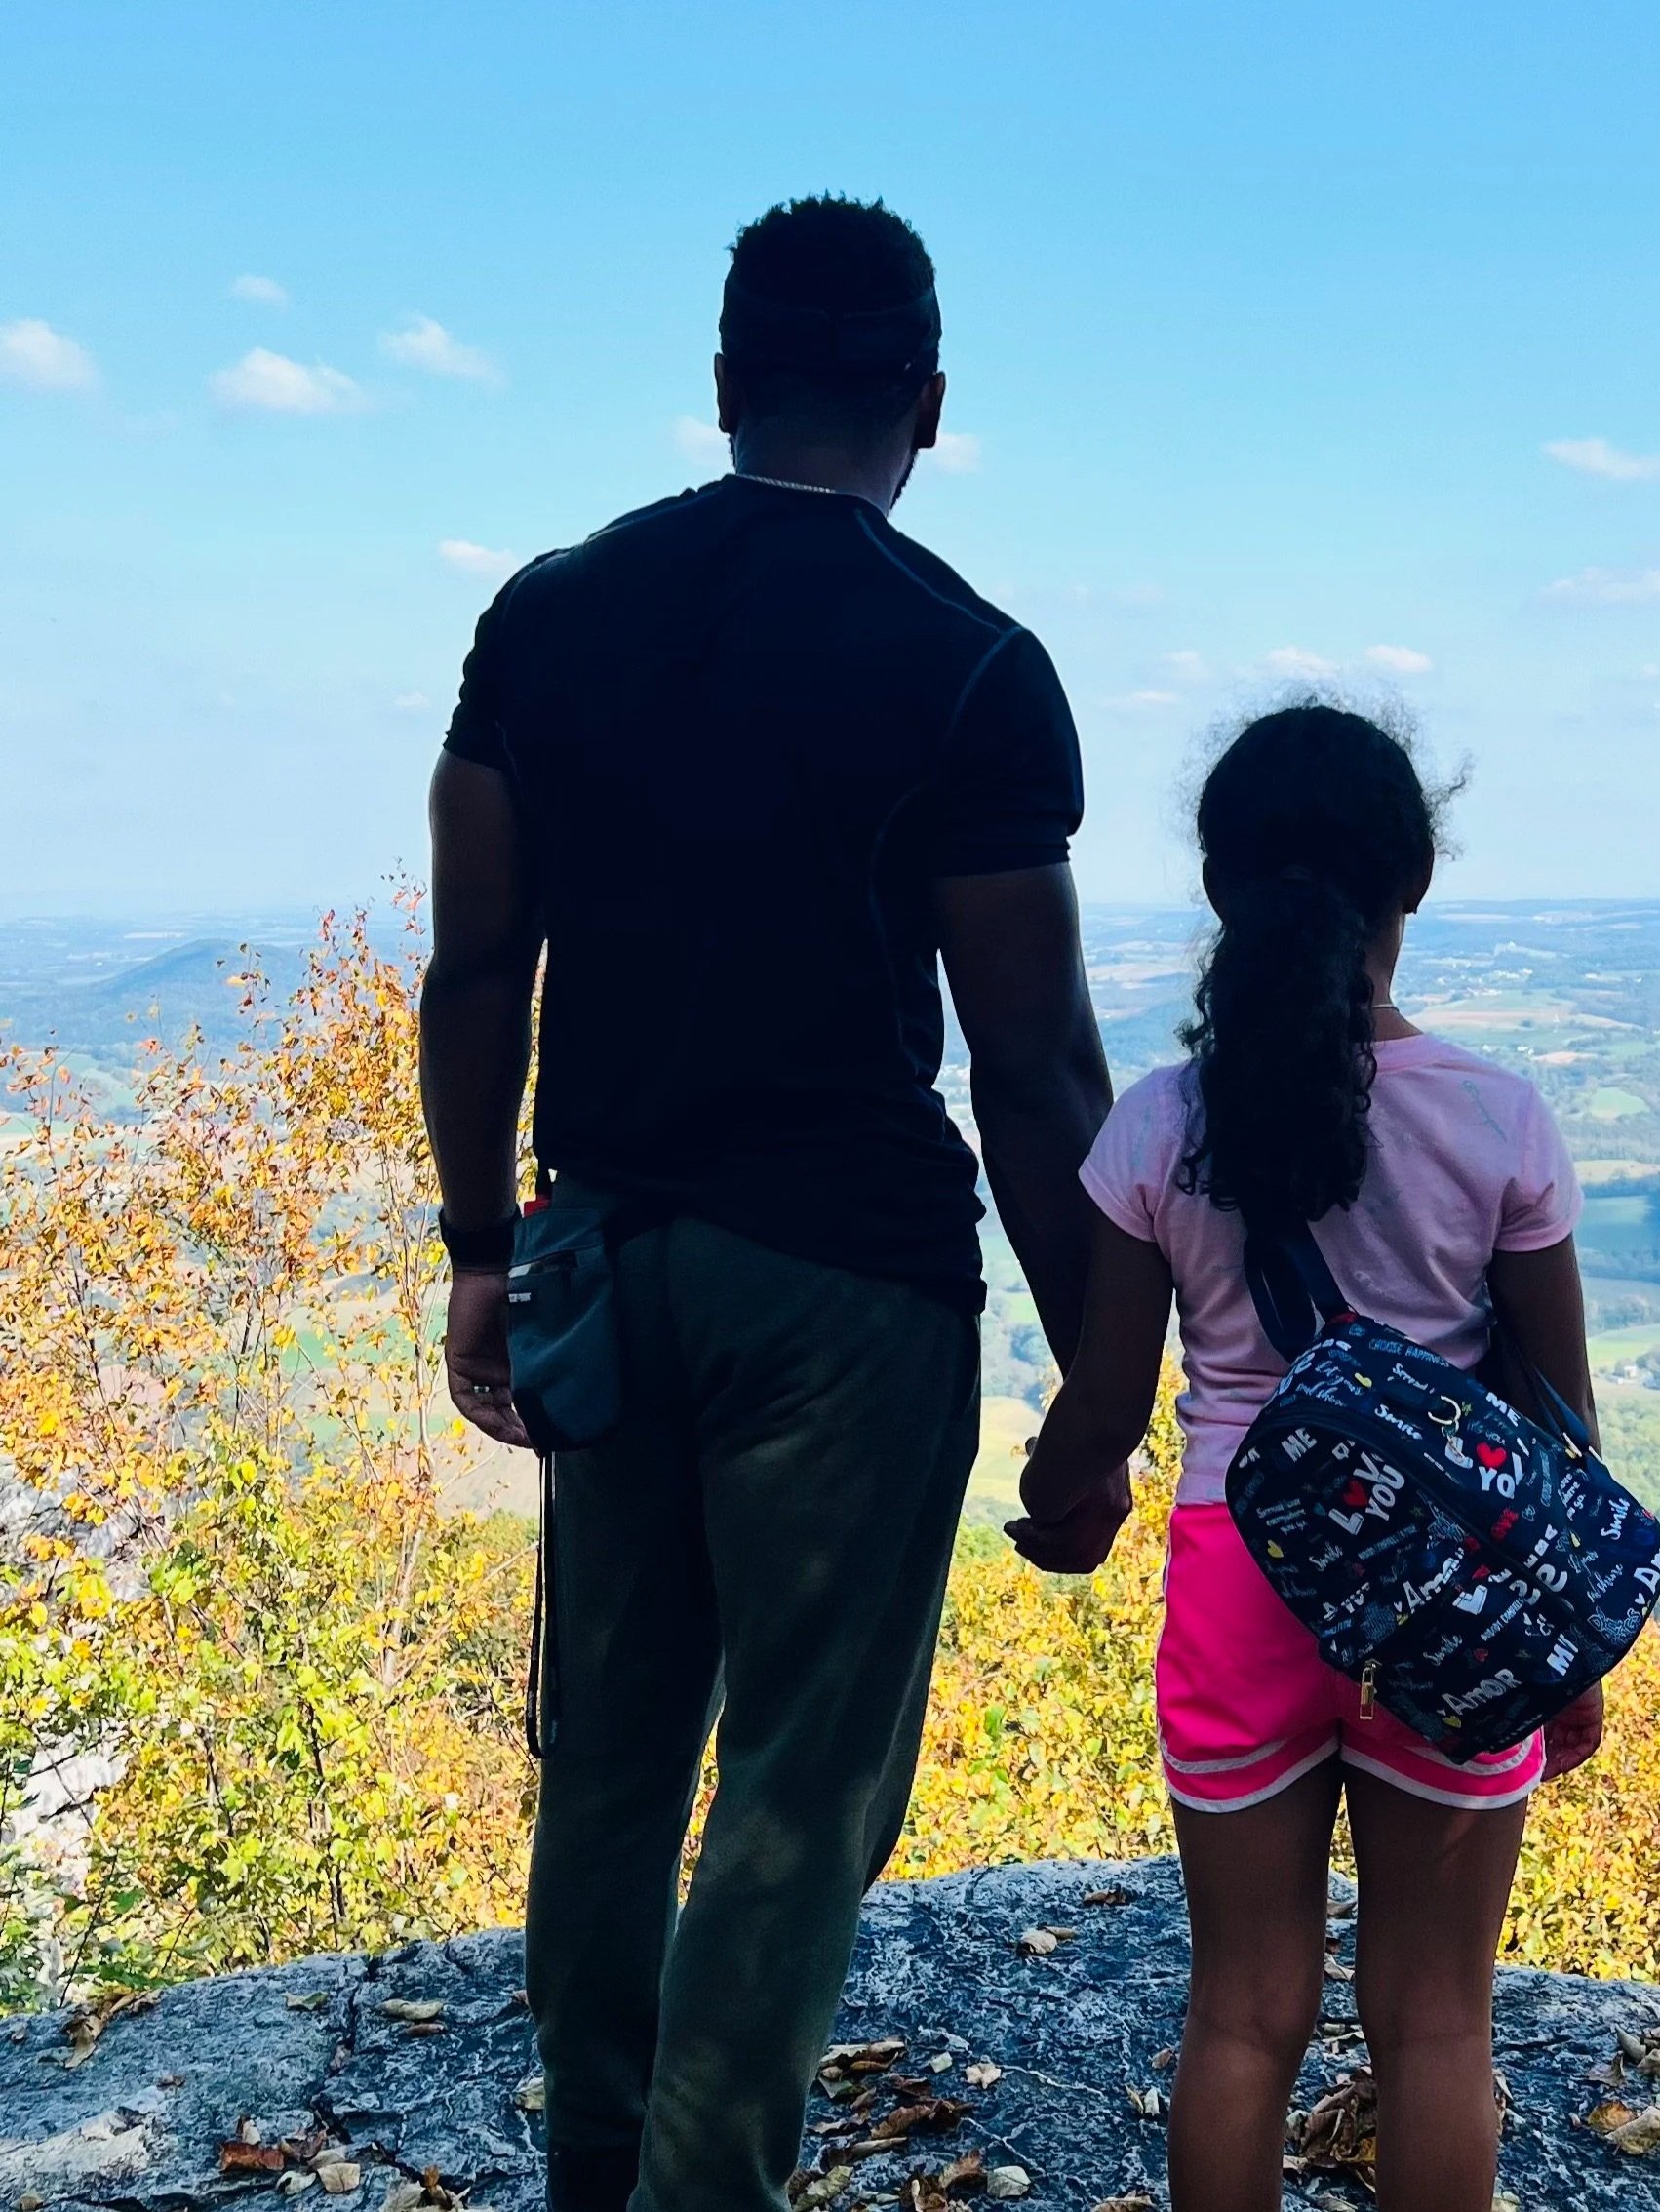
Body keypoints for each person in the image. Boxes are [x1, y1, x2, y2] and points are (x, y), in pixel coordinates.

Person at [418, 196, 1115, 2212]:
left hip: (603, 1256)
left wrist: (483, 1251)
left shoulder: (544, 615)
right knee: (800, 1794)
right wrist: (1098, 1381)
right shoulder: (975, 668)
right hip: (849, 1294)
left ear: (724, 388)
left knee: (616, 1765)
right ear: (930, 403)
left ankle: (601, 2171)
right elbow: (1034, 1060)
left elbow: (480, 969)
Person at [1008, 703, 1606, 2212]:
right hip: (1457, 1604)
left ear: (1225, 889)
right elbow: (1560, 1422)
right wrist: (1569, 1645)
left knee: (1241, 2016)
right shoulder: (1499, 1118)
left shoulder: (1158, 1127)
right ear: (1411, 885)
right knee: (1438, 2026)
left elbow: (1105, 1403)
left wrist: (1055, 1500)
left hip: (1240, 1583)